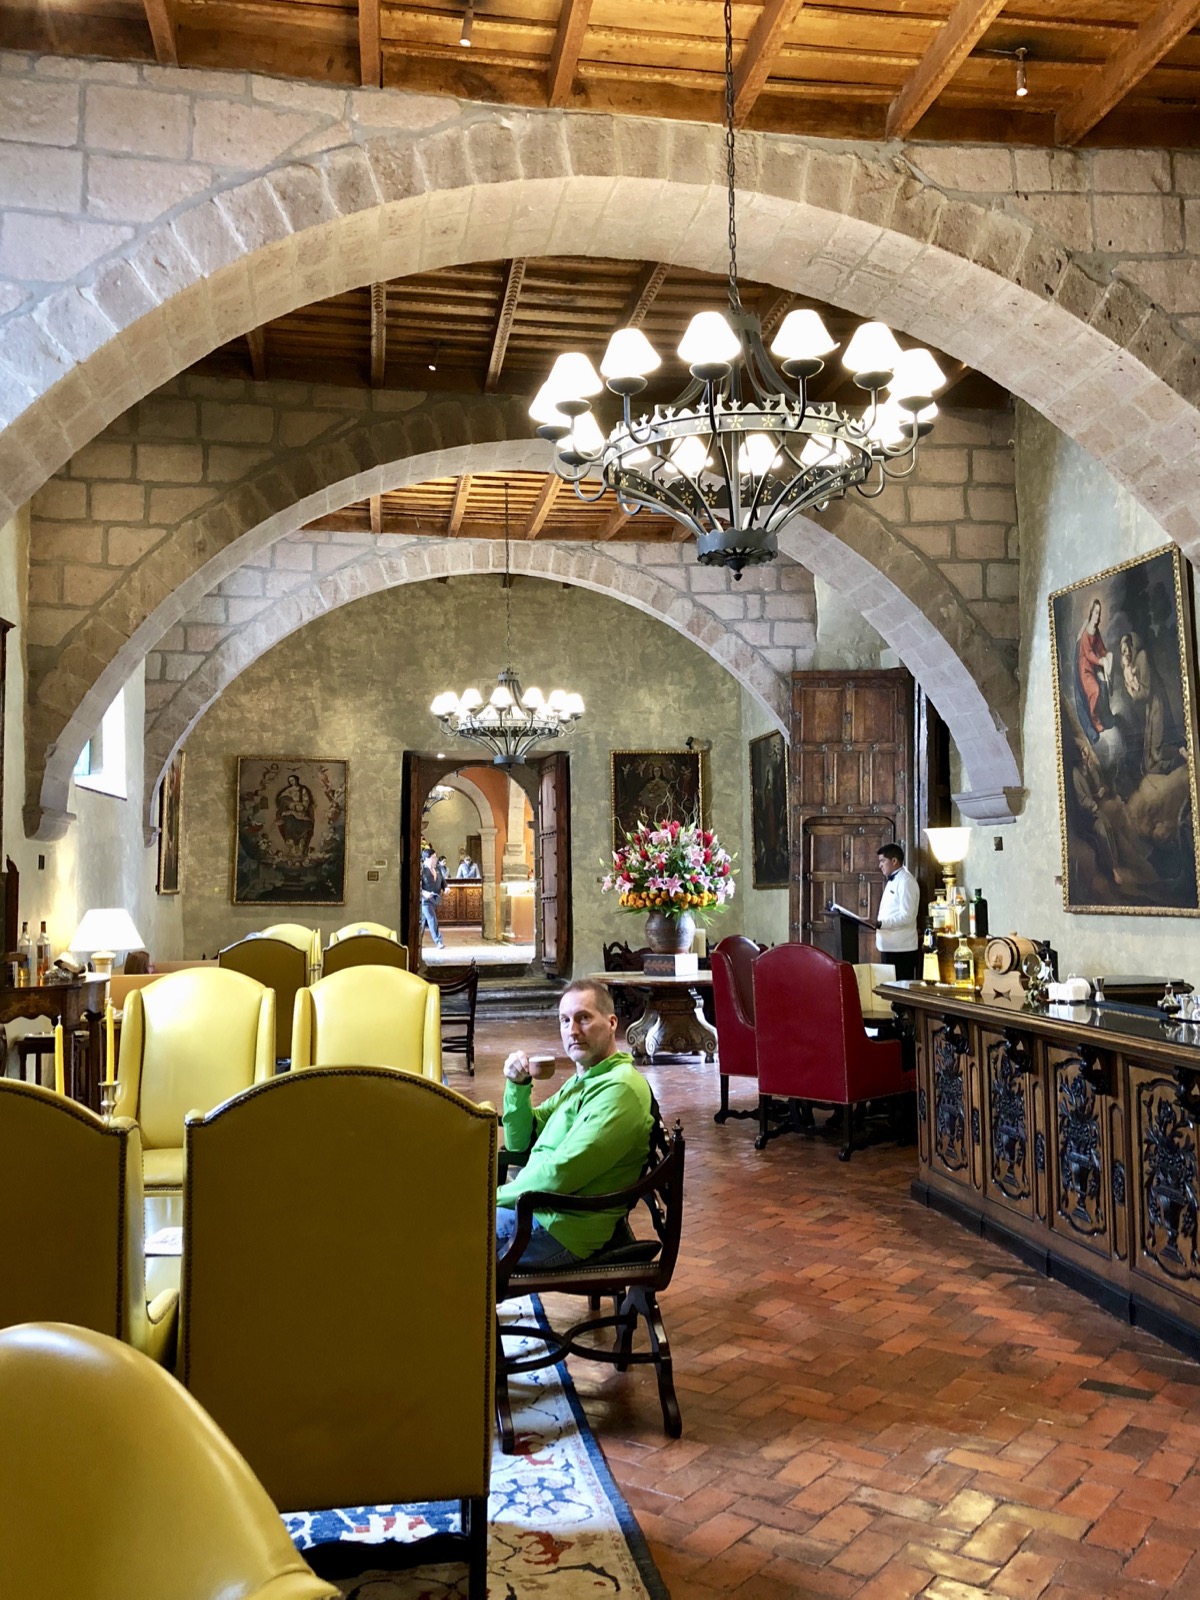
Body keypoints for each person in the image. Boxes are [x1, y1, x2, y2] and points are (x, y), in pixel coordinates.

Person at [496, 980, 653, 1268]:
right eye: (565, 1020)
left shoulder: (619, 1089)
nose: (572, 1031)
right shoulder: (588, 1077)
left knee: (440, 1232)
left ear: (611, 1023)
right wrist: (517, 1085)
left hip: (559, 1227)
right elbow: (521, 1141)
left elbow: (560, 1175)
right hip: (541, 1210)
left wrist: (491, 1198)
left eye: (584, 1018)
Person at [873, 842, 920, 980]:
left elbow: (908, 916)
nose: (880, 865)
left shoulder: (906, 881)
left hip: (901, 949)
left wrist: (882, 924)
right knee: (889, 993)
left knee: (900, 992)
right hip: (888, 946)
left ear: (894, 861)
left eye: (882, 861)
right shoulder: (893, 879)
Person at [420, 844, 444, 948]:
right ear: (427, 859)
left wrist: (446, 887)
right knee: (432, 919)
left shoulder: (437, 868)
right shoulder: (421, 870)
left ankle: (417, 942)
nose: (435, 859)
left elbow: (443, 880)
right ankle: (438, 941)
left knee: (422, 923)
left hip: (434, 899)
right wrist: (423, 892)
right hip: (425, 900)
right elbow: (415, 884)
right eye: (433, 857)